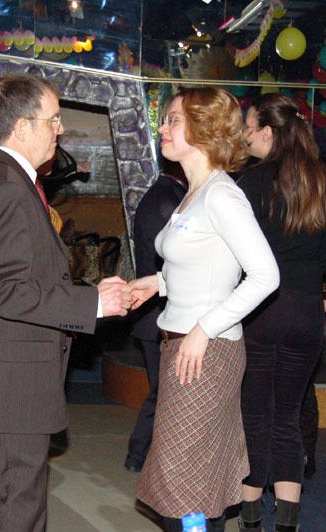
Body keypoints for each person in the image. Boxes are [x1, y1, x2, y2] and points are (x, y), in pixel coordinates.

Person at [0, 73, 132, 532]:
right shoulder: (7, 186)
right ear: (22, 127)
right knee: (15, 511)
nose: (60, 129)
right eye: (53, 120)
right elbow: (4, 289)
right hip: (12, 385)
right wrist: (91, 304)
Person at [130, 87, 280, 532]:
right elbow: (205, 265)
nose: (163, 127)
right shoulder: (195, 192)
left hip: (205, 353)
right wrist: (156, 283)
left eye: (174, 119)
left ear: (204, 129)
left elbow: (265, 275)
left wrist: (204, 329)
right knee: (188, 482)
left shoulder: (221, 195)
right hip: (181, 346)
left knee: (184, 485)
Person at [236, 93, 326, 532]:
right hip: (306, 312)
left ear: (267, 132)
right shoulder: (325, 181)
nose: (244, 135)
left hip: (261, 308)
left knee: (255, 414)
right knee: (289, 417)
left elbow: (237, 256)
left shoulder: (250, 182)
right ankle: (287, 523)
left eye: (248, 127)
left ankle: (250, 517)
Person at [123, 155, 186, 473]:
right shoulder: (167, 200)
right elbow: (172, 263)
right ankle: (138, 456)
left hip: (154, 314)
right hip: (156, 314)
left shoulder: (163, 195)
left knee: (163, 393)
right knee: (162, 394)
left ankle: (142, 456)